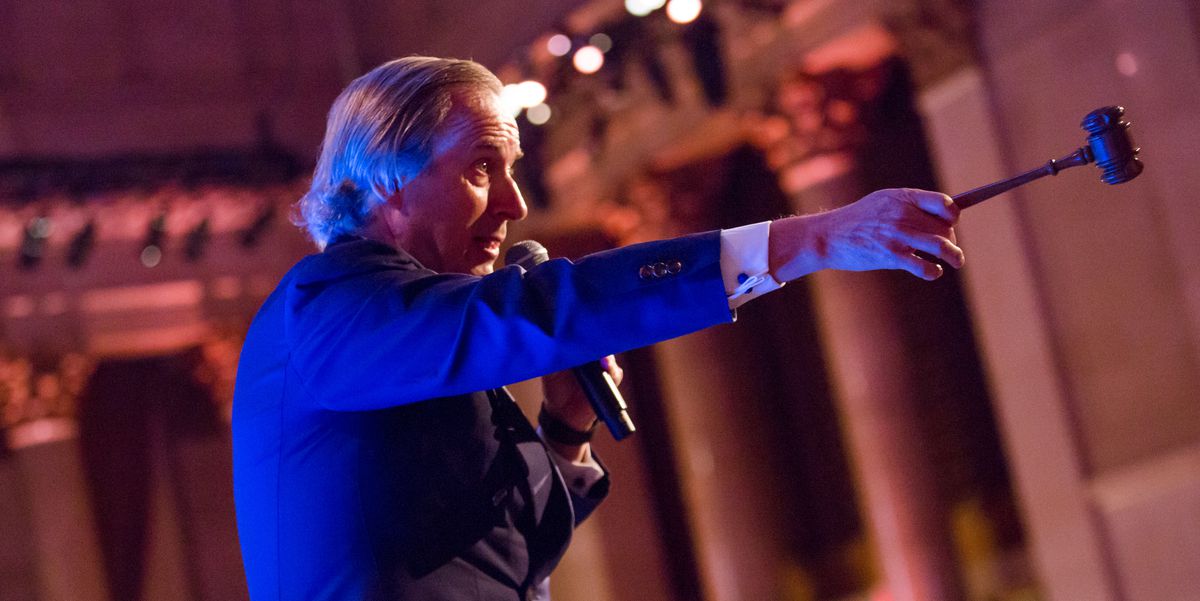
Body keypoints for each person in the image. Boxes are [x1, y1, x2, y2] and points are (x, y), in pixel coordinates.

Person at [232, 56, 963, 601]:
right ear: (388, 177)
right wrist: (814, 239)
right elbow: (543, 308)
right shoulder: (325, 308)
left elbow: (505, 556)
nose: (515, 203)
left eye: (513, 169)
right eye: (483, 168)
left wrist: (564, 428)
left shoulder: (417, 333)